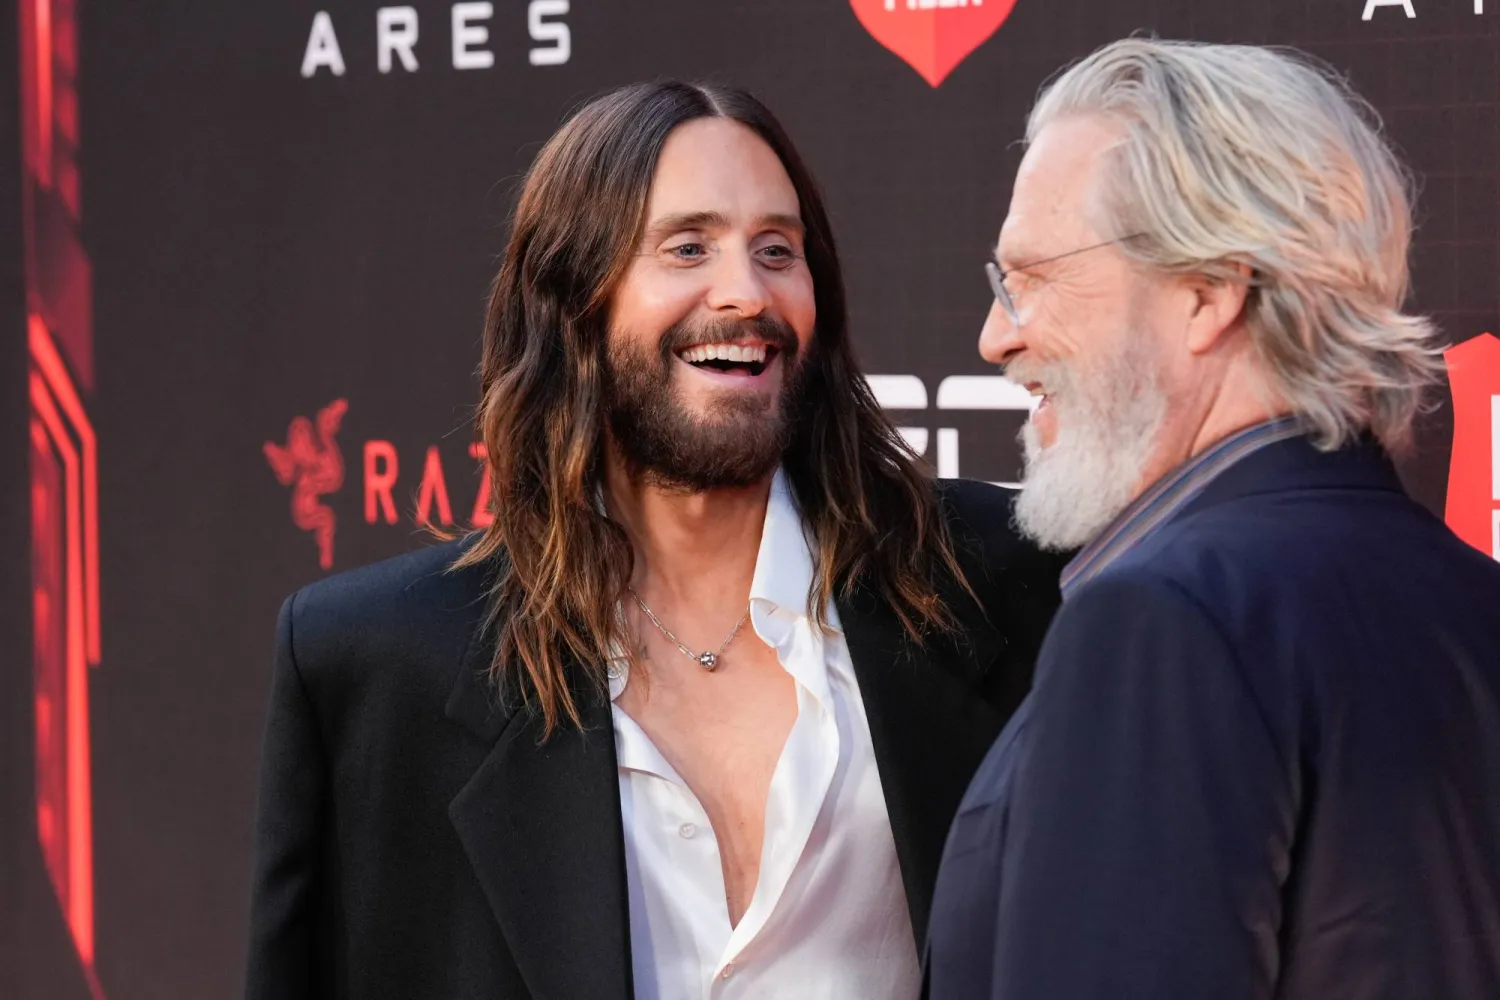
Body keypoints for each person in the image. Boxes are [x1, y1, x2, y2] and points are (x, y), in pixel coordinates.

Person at [244, 81, 1065, 1000]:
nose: (745, 294)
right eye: (687, 247)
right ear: (573, 299)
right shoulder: (380, 663)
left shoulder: (1002, 576)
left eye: (776, 251)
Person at [926, 38, 1500, 1000]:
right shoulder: (1473, 600)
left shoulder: (1164, 621)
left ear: (1209, 292)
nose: (996, 335)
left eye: (1029, 278)